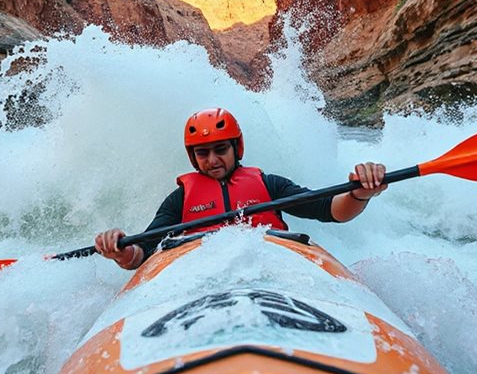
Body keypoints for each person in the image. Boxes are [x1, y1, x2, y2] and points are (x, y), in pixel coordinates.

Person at [94, 107, 388, 270]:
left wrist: (358, 193)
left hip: (271, 268)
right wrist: (120, 251)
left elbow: (329, 210)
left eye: (220, 149)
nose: (212, 161)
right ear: (192, 157)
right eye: (202, 154)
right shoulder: (180, 199)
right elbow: (141, 253)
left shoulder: (269, 185)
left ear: (237, 147)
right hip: (202, 275)